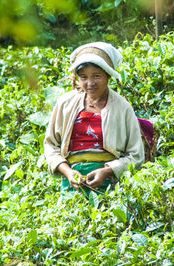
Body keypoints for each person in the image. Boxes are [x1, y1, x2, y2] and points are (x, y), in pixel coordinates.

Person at [44, 42, 144, 198]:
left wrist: (107, 171)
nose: (90, 83)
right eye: (83, 77)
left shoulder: (123, 108)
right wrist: (69, 172)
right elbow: (51, 145)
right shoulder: (65, 103)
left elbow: (136, 155)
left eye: (96, 76)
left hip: (111, 185)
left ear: (108, 75)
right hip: (72, 185)